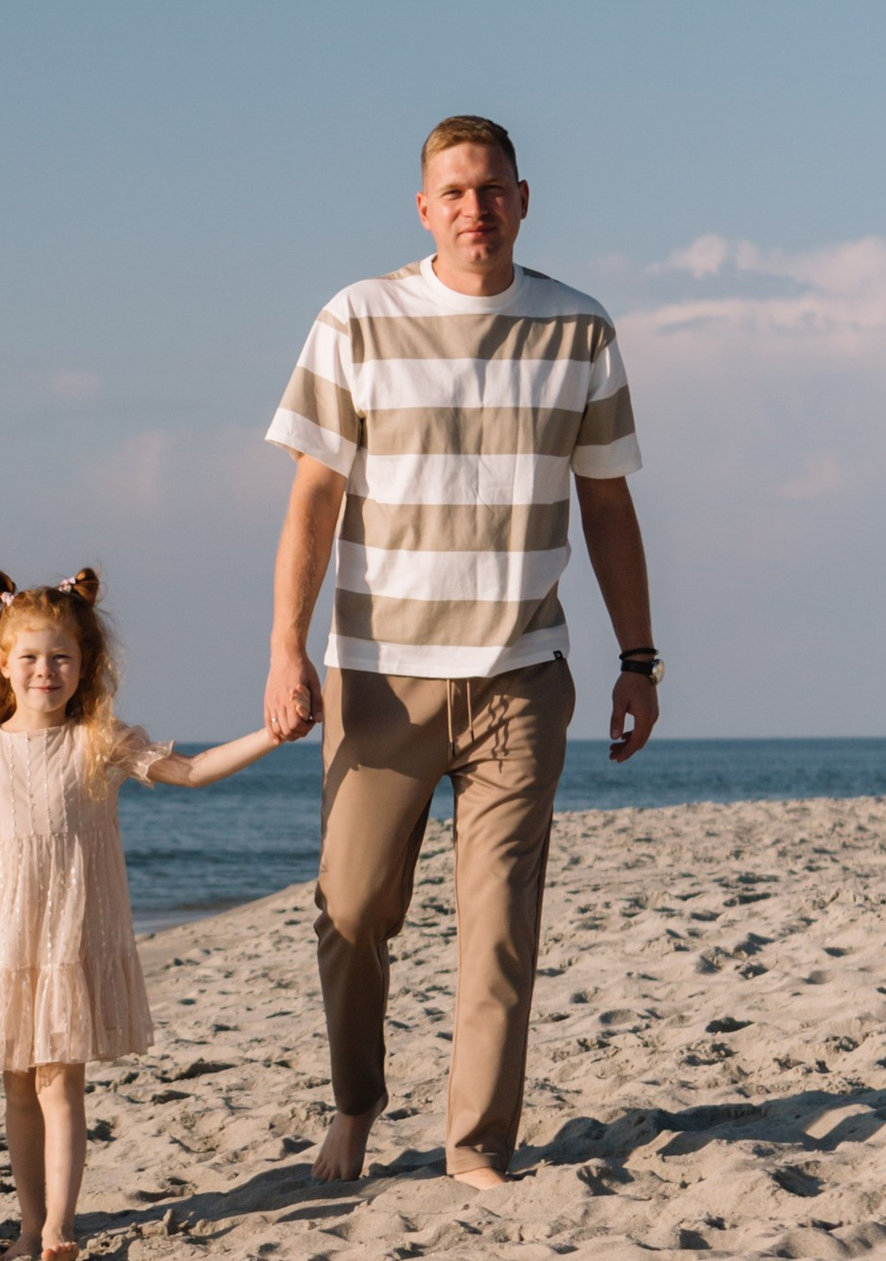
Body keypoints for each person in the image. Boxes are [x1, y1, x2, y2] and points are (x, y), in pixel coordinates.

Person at [264, 113, 661, 1191]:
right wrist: (285, 651)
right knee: (351, 910)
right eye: (453, 192)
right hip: (378, 674)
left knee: (497, 928)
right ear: (424, 208)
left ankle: (476, 1142)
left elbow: (608, 504)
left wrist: (639, 658)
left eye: (492, 190)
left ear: (522, 200)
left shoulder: (577, 329)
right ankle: (354, 1103)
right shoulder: (357, 318)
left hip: (522, 677)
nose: (474, 209)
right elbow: (313, 498)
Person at [0, 569, 300, 1261]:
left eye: (60, 657)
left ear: (84, 662)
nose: (45, 671)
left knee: (59, 1081)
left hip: (68, 941)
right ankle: (28, 1226)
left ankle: (59, 1224)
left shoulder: (98, 739)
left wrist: (273, 733)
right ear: (1, 662)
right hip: (1, 944)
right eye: (29, 657)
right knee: (19, 1089)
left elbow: (196, 771)